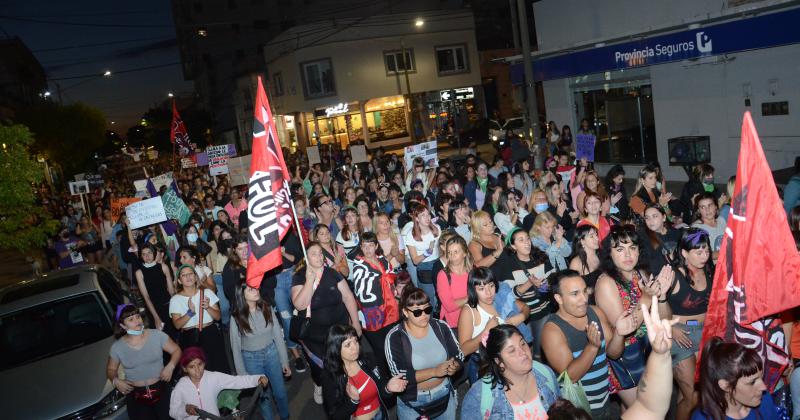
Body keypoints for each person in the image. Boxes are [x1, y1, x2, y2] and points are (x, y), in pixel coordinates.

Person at [593, 225, 673, 407]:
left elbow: (665, 320)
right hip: (624, 357)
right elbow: (627, 327)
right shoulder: (606, 283)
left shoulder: (642, 274)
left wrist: (661, 298)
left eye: (632, 248)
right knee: (645, 410)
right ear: (610, 255)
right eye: (620, 249)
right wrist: (648, 296)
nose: (628, 255)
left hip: (648, 348)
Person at [541, 270, 632, 419]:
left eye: (584, 291)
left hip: (604, 399)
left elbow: (614, 353)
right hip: (578, 410)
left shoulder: (595, 312)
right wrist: (592, 347)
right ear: (559, 298)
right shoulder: (552, 331)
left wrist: (619, 334)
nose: (584, 299)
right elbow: (570, 376)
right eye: (575, 294)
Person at [292, 241, 362, 405]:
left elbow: (348, 297)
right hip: (315, 336)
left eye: (320, 253)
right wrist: (309, 281)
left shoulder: (332, 273)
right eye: (313, 253)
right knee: (320, 369)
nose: (318, 256)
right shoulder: (300, 276)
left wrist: (356, 323)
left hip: (339, 331)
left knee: (343, 362)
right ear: (306, 257)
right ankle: (318, 384)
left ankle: (347, 389)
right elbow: (299, 304)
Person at [385, 287, 464, 420]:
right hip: (414, 403)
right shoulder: (395, 337)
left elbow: (458, 355)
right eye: (417, 312)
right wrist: (434, 372)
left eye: (427, 309)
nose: (424, 315)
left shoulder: (441, 326)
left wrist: (454, 365)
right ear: (405, 312)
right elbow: (398, 374)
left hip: (444, 394)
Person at [460, 325, 560, 420]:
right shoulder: (478, 395)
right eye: (512, 351)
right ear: (499, 361)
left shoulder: (546, 373)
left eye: (523, 343)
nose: (523, 352)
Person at [666, 228, 713, 420]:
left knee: (690, 394)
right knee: (693, 397)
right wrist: (670, 326)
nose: (704, 256)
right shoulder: (673, 275)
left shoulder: (710, 270)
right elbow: (653, 306)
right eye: (698, 252)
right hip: (681, 336)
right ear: (684, 253)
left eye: (706, 251)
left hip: (704, 334)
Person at [107, 304, 181, 420]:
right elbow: (111, 369)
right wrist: (116, 381)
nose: (137, 321)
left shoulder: (157, 335)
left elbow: (176, 350)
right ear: (122, 325)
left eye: (138, 317)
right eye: (131, 319)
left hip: (161, 390)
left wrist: (170, 366)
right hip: (136, 396)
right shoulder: (117, 347)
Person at [229, 281, 291, 420]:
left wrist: (284, 361)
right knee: (263, 397)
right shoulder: (236, 317)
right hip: (251, 360)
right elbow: (235, 348)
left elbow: (278, 337)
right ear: (242, 295)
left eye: (255, 287)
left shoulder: (266, 308)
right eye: (250, 289)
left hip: (272, 354)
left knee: (280, 393)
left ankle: (285, 417)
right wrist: (242, 375)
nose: (255, 290)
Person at [458, 267, 530, 384]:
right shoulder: (469, 310)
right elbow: (463, 350)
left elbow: (525, 307)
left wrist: (521, 317)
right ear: (473, 290)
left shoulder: (500, 298)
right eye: (481, 289)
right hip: (483, 365)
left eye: (491, 286)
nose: (488, 293)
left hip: (507, 360)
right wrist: (486, 331)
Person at [321, 324, 408, 420]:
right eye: (348, 345)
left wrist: (388, 388)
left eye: (355, 341)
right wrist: (353, 401)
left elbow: (382, 392)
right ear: (335, 348)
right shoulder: (330, 376)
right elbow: (335, 415)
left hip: (381, 415)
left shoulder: (369, 360)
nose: (355, 348)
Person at [169, 347, 269, 420]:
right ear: (184, 369)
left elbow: (237, 381)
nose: (197, 370)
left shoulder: (213, 377)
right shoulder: (180, 387)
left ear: (204, 363)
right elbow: (173, 412)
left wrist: (257, 378)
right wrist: (185, 410)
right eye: (191, 367)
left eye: (200, 364)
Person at [692, 338, 778, 420]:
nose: (763, 387)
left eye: (761, 377)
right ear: (726, 385)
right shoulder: (702, 418)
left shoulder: (765, 400)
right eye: (752, 382)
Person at [350, 231, 400, 367]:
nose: (367, 249)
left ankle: (397, 369)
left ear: (376, 245)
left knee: (393, 344)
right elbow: (361, 293)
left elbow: (391, 278)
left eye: (371, 245)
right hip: (373, 312)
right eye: (364, 246)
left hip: (390, 308)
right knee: (380, 349)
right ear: (360, 247)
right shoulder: (359, 265)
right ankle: (385, 379)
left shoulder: (382, 259)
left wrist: (395, 295)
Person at [169, 264, 229, 373]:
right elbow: (177, 325)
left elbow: (218, 316)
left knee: (218, 367)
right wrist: (190, 313)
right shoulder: (175, 299)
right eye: (184, 275)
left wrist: (208, 307)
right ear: (179, 280)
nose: (188, 277)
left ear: (196, 277)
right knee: (198, 371)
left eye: (191, 274)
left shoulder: (207, 292)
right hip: (190, 337)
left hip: (210, 333)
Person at [403, 203, 442, 310]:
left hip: (438, 264)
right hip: (424, 267)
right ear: (416, 219)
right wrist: (427, 252)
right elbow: (415, 261)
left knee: (441, 296)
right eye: (423, 215)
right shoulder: (411, 235)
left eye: (428, 214)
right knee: (429, 299)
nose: (427, 218)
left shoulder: (437, 229)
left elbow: (440, 250)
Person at [135, 244, 175, 331]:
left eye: (149, 253)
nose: (147, 256)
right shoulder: (139, 273)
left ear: (154, 253)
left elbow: (171, 291)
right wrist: (156, 317)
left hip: (168, 305)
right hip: (153, 309)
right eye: (144, 254)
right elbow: (146, 297)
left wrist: (176, 307)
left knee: (174, 335)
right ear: (141, 256)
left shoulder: (164, 267)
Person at [437, 235, 472, 329]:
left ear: (465, 253)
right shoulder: (443, 275)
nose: (452, 255)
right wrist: (471, 297)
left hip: (472, 319)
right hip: (453, 323)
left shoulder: (472, 272)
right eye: (449, 252)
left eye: (456, 252)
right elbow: (449, 306)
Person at [640, 203, 682, 275]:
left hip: (680, 275)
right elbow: (648, 266)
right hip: (661, 278)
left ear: (664, 217)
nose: (650, 221)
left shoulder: (676, 233)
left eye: (654, 216)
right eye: (647, 218)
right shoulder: (643, 237)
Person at [568, 225, 602, 294]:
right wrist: (593, 290)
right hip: (590, 300)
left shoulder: (601, 254)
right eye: (592, 236)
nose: (597, 238)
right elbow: (573, 290)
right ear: (582, 241)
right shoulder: (576, 263)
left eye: (596, 235)